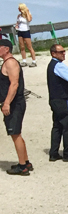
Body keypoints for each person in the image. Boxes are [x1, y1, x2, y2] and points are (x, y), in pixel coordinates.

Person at [1, 37, 30, 175]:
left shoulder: (11, 63)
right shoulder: (6, 63)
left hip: (14, 104)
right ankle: (25, 161)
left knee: (15, 133)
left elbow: (14, 84)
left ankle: (22, 166)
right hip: (14, 103)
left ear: (6, 49)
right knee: (17, 133)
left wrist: (7, 103)